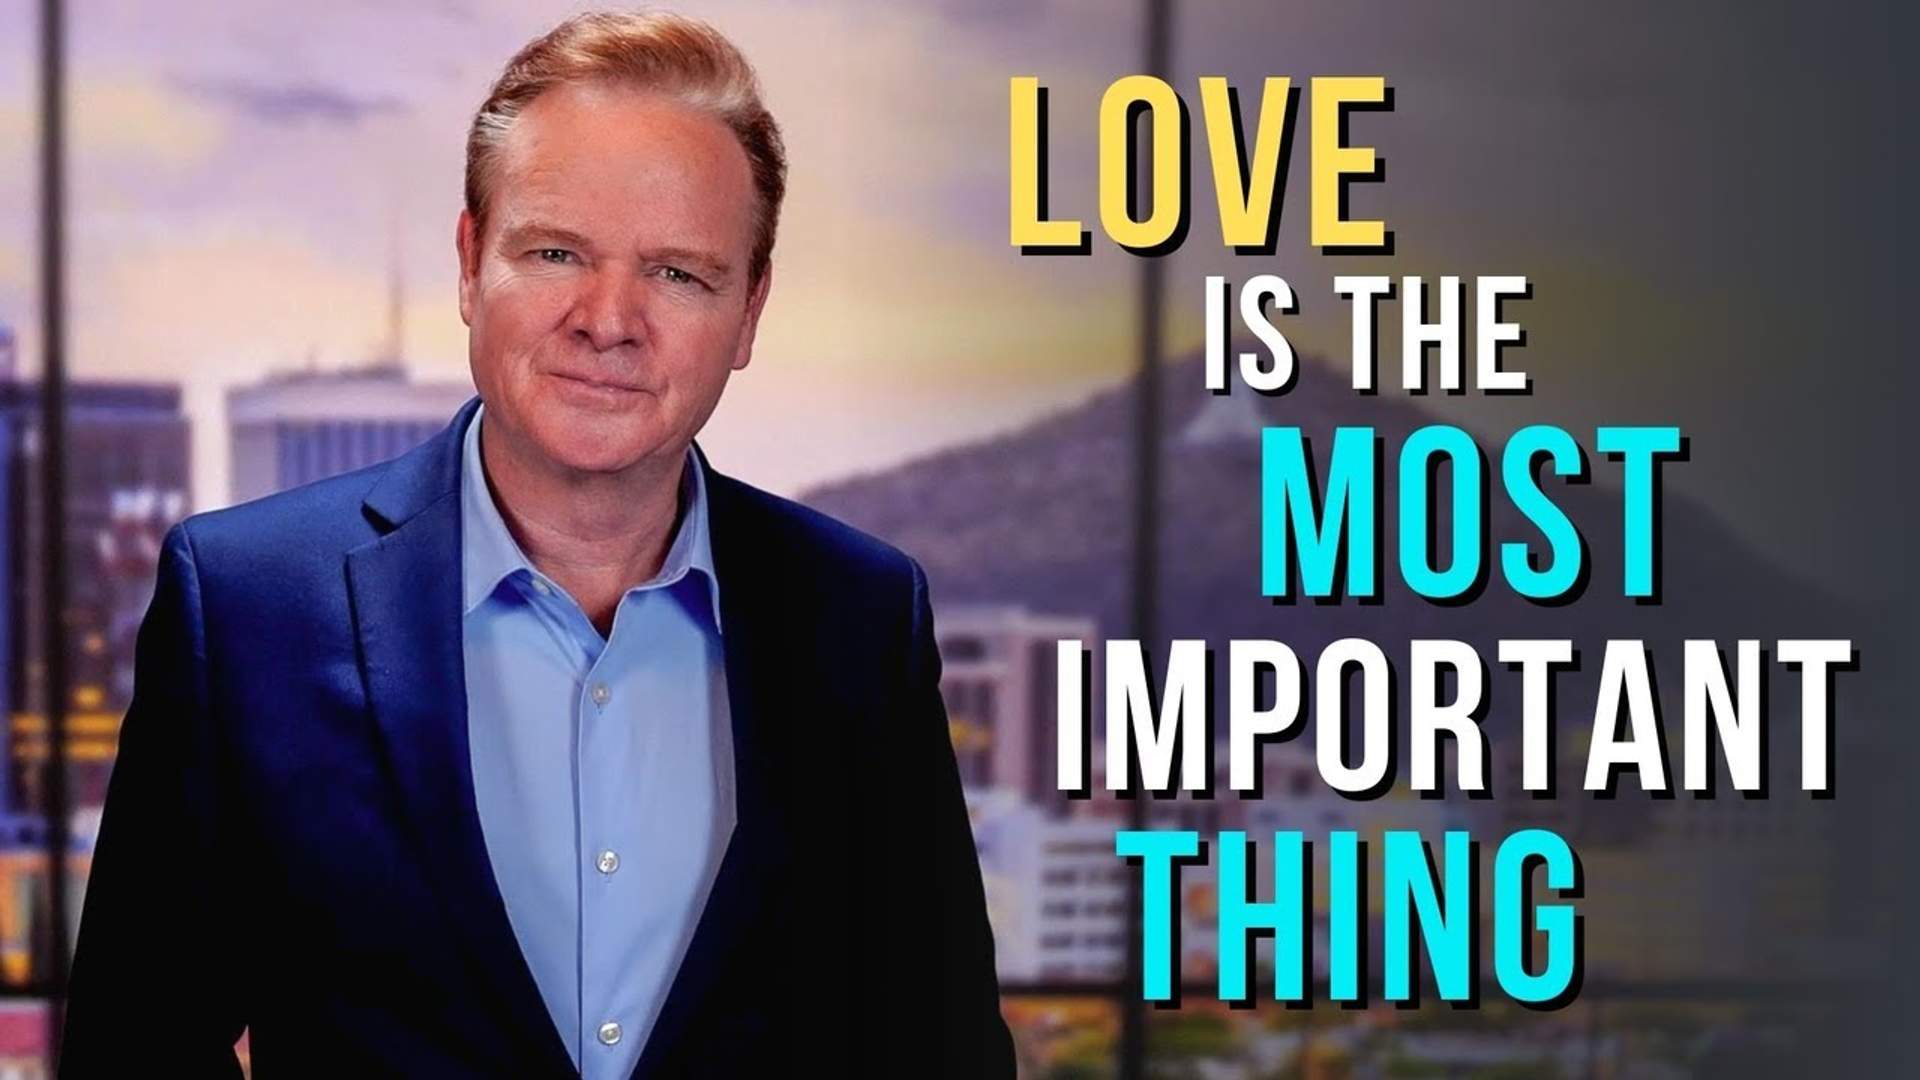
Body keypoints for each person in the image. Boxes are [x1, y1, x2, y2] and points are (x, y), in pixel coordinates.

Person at [60, 10, 1014, 1078]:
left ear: (749, 313)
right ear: (471, 266)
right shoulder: (244, 606)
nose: (609, 319)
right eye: (556, 252)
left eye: (680, 274)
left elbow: (944, 1053)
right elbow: (130, 1048)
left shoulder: (862, 620)